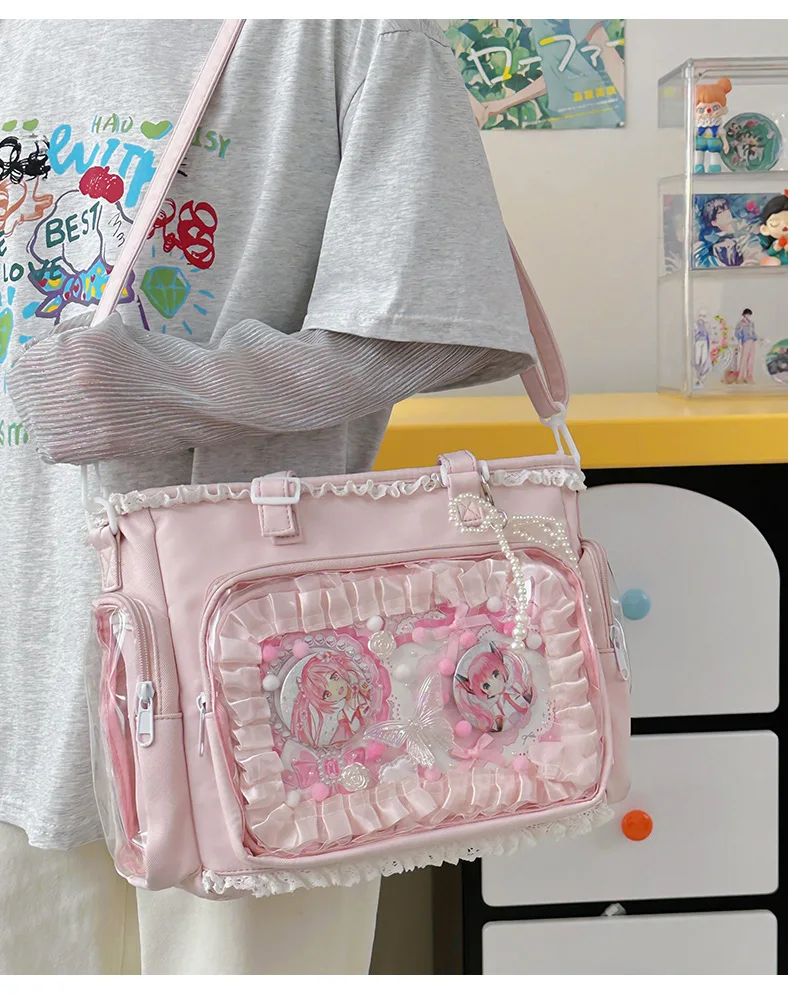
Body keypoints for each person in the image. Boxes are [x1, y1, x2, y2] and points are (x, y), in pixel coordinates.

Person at [0, 19, 537, 975]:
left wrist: (177, 391)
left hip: (254, 700)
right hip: (21, 669)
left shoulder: (346, 29)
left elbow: (450, 325)